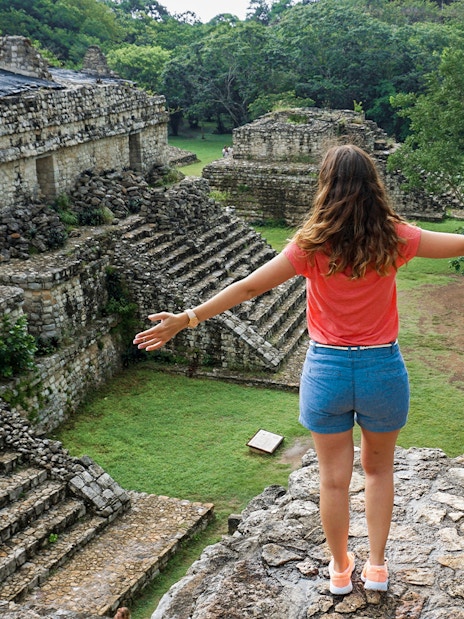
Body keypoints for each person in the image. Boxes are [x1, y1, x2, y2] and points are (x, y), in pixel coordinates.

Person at [133, 143, 464, 595]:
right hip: (381, 369)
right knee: (379, 471)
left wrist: (186, 318)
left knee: (332, 479)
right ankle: (379, 568)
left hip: (325, 370)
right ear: (374, 185)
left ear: (326, 186)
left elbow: (249, 288)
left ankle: (340, 569)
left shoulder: (311, 244)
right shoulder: (396, 236)